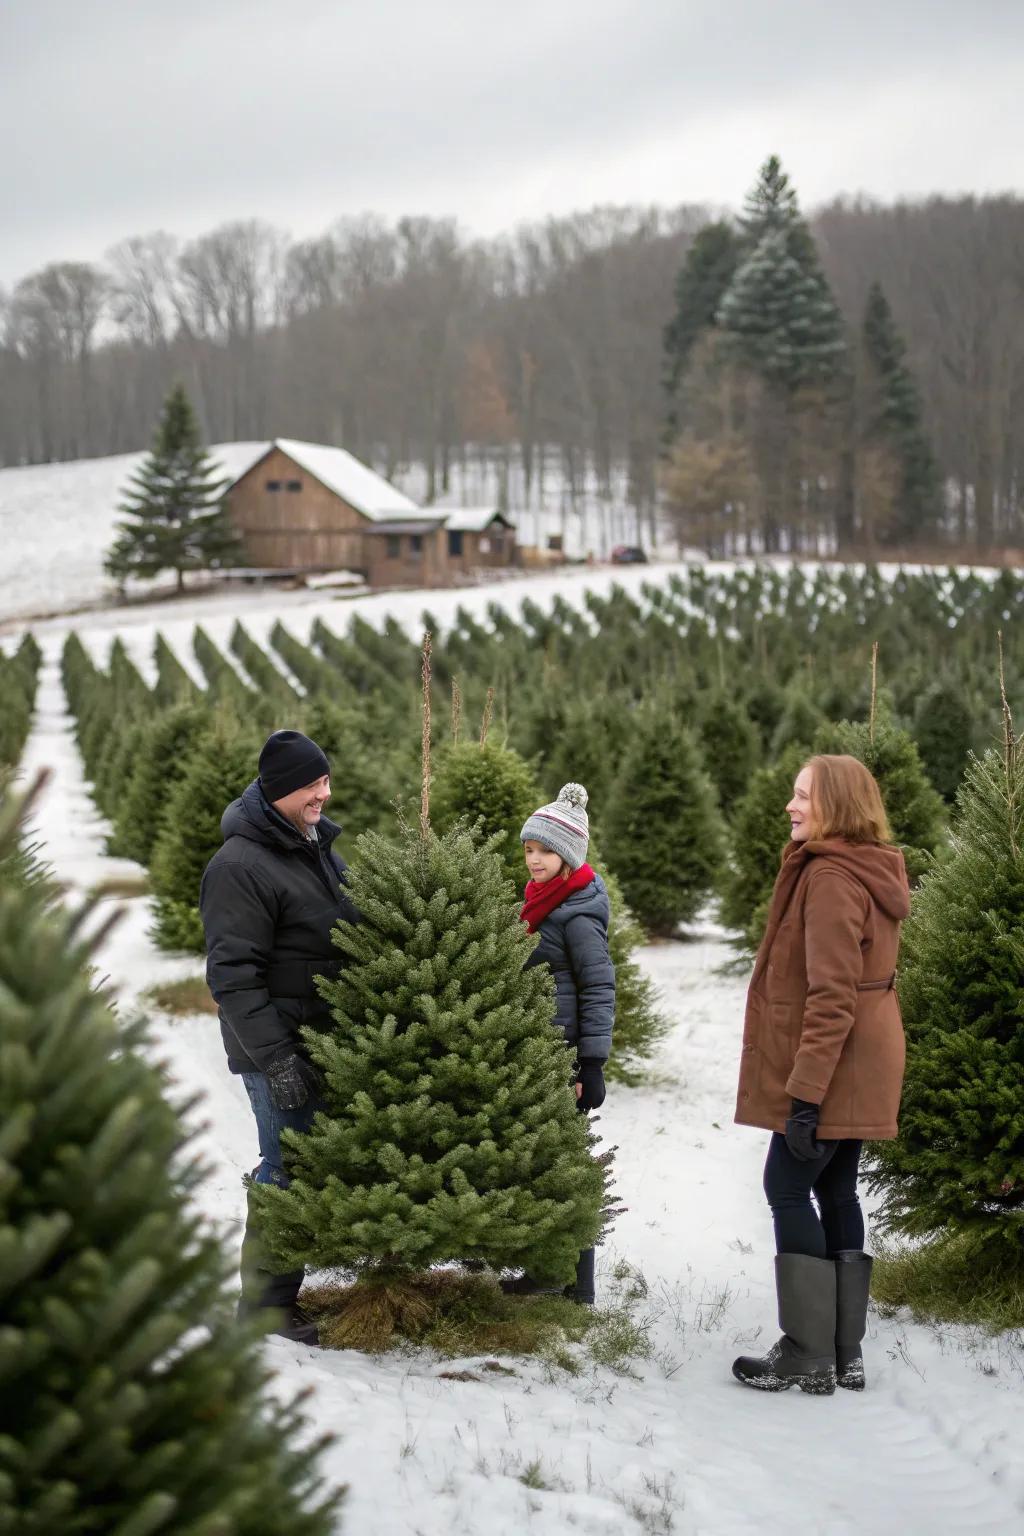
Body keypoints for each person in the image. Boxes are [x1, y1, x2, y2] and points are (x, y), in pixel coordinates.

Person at [732, 754, 910, 1395]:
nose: (790, 805)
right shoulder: (864, 866)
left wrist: (804, 1098)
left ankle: (809, 1351)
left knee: (786, 1184)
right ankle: (844, 1351)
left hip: (835, 1062)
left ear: (834, 803)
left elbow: (831, 995)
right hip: (862, 1057)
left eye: (803, 795)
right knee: (836, 1189)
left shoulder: (832, 878)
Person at [200, 728, 359, 1346]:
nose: (324, 794)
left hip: (320, 1037)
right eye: (311, 785)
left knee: (303, 1162)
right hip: (278, 1047)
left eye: (325, 780)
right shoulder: (240, 867)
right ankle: (264, 1305)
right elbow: (232, 977)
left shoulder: (311, 843)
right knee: (285, 1167)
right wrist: (278, 1059)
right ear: (278, 790)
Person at [503, 782, 615, 1305]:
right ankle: (547, 1271)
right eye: (529, 849)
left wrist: (590, 1063)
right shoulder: (538, 902)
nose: (534, 859)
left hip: (566, 1055)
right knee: (540, 1161)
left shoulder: (577, 912)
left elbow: (598, 986)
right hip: (539, 1049)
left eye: (546, 850)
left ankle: (578, 1285)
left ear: (567, 855)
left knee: (565, 1166)